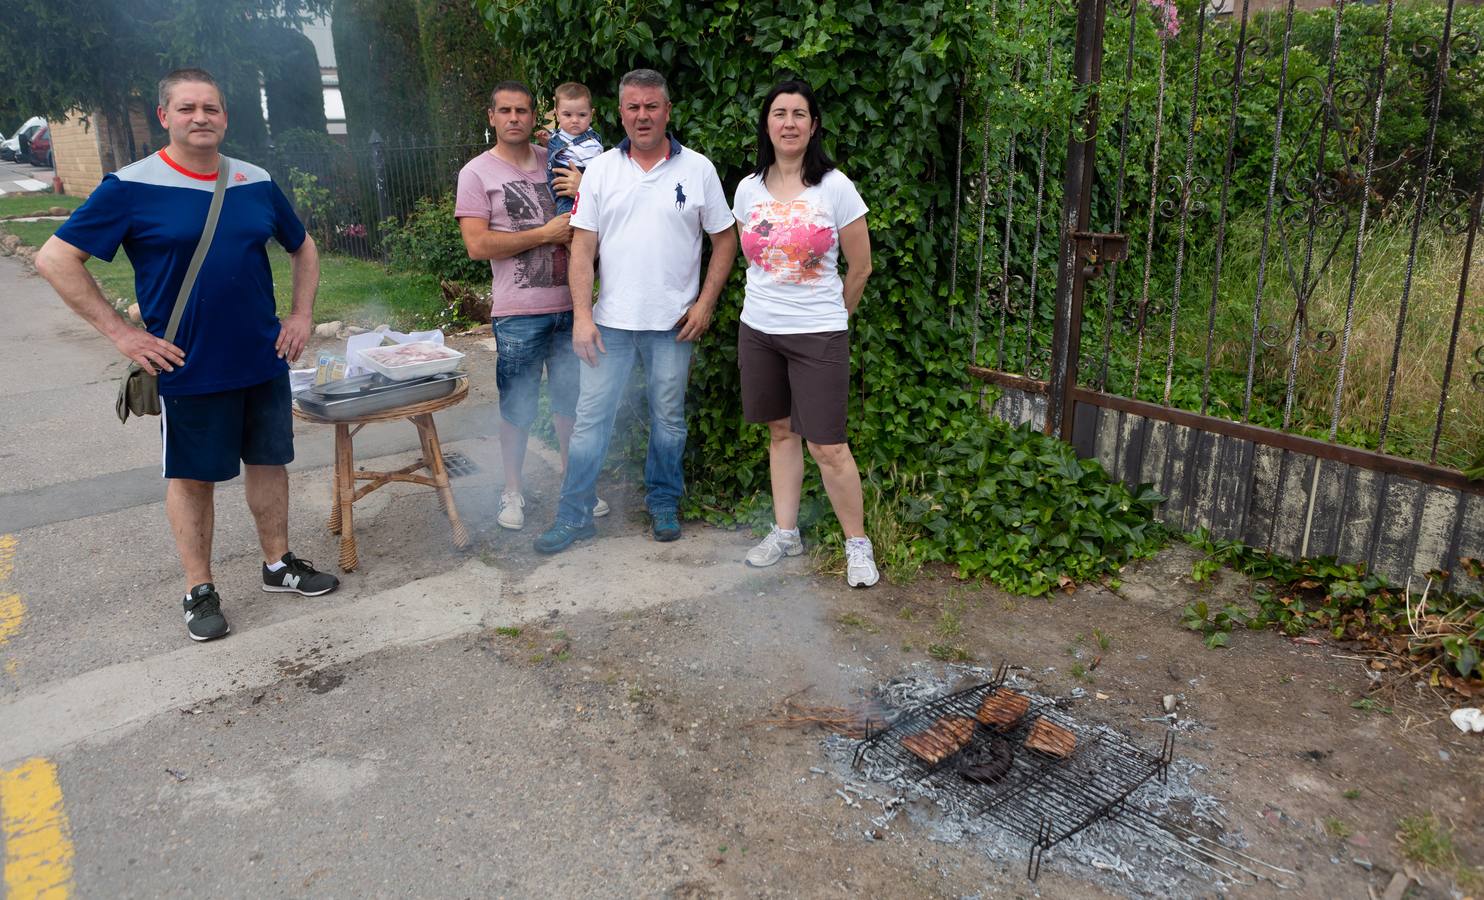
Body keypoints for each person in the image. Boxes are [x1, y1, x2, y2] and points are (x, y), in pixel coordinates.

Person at [34, 67, 339, 642]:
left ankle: (278, 565)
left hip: (261, 356)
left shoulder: (254, 179)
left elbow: (305, 247)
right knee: (193, 478)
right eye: (188, 108)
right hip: (187, 364)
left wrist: (300, 316)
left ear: (225, 116)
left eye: (211, 108)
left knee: (269, 463)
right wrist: (124, 335)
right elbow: (54, 260)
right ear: (165, 116)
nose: (201, 118)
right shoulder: (130, 186)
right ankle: (199, 588)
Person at [534, 69, 738, 553]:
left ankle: (664, 504)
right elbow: (582, 249)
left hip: (673, 325)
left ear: (667, 111)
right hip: (610, 324)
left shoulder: (699, 170)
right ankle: (574, 514)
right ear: (621, 113)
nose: (642, 115)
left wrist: (705, 304)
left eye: (651, 106)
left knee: (668, 418)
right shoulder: (601, 169)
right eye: (633, 107)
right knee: (590, 420)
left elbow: (725, 240)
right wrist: (582, 316)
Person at [730, 80, 878, 587]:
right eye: (779, 113)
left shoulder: (834, 187)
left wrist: (833, 317)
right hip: (760, 329)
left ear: (813, 125)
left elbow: (860, 267)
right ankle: (786, 533)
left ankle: (858, 545)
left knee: (829, 446)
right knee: (780, 432)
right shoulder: (747, 188)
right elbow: (751, 260)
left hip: (819, 334)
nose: (788, 122)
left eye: (799, 114)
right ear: (767, 124)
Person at [455, 80, 608, 530]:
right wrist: (544, 234)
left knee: (570, 406)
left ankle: (574, 486)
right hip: (518, 312)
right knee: (517, 409)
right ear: (492, 117)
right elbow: (477, 245)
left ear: (536, 115)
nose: (514, 118)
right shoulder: (477, 173)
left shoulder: (558, 157)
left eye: (522, 110)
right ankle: (512, 492)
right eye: (505, 111)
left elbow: (600, 201)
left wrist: (587, 184)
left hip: (571, 308)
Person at [544, 82, 604, 216]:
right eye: (568, 115)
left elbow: (598, 174)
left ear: (591, 115)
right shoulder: (558, 134)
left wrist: (585, 187)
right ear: (557, 115)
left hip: (577, 183)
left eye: (582, 115)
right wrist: (547, 141)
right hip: (559, 187)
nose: (575, 120)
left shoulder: (591, 144)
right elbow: (557, 149)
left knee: (570, 218)